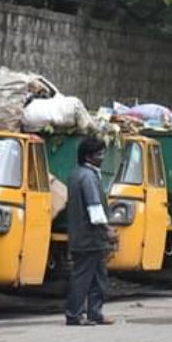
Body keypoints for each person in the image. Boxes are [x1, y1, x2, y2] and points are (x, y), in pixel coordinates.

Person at [65, 136, 118, 326]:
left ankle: (95, 313)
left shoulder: (76, 174)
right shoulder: (88, 177)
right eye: (99, 154)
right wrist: (108, 229)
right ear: (88, 156)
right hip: (89, 237)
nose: (103, 157)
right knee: (83, 277)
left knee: (98, 277)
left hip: (84, 236)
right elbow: (94, 207)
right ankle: (74, 315)